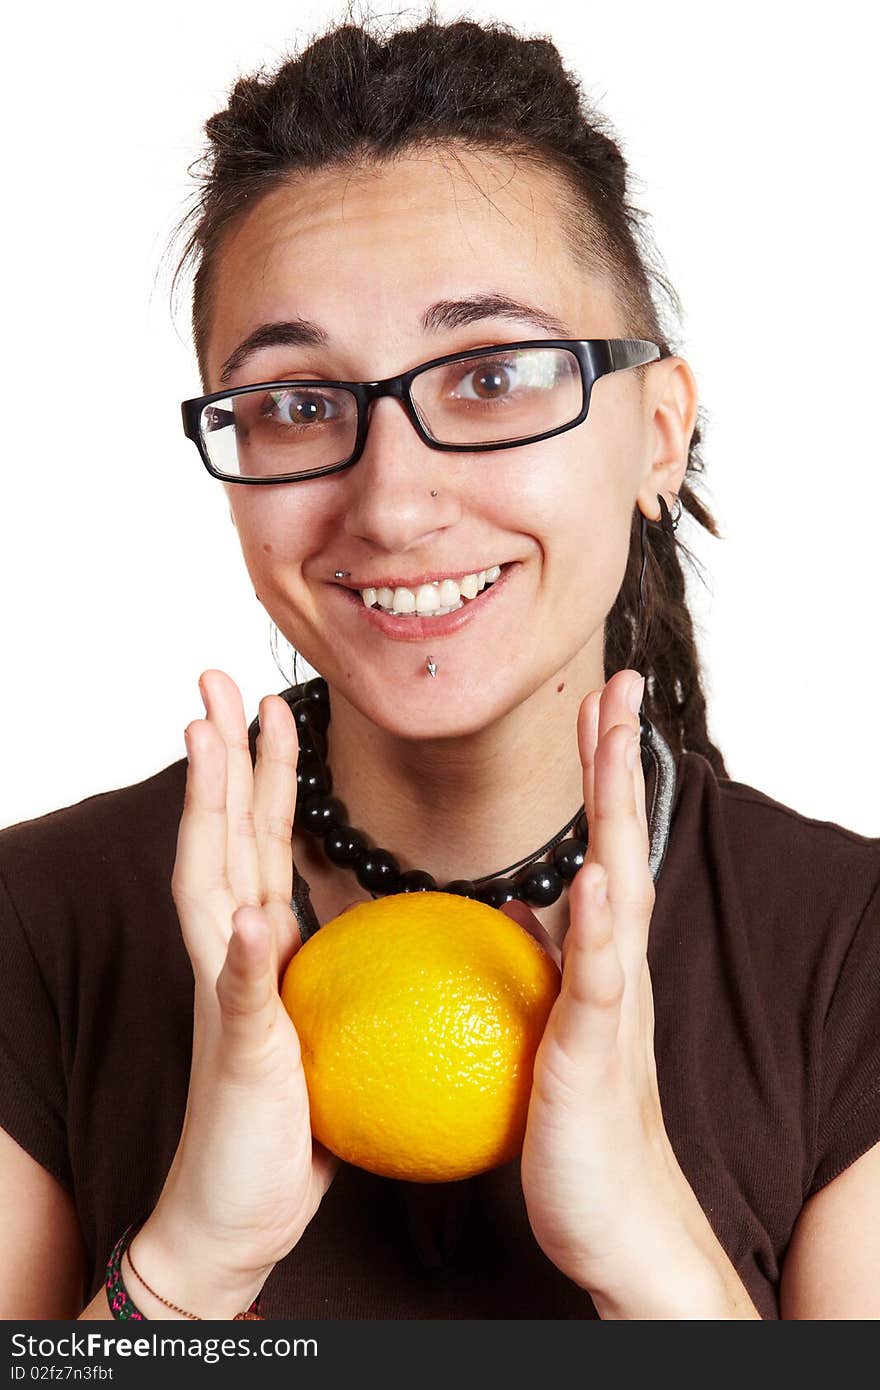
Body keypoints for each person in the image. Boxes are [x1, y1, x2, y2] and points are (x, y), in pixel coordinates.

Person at [1, 11, 878, 1323]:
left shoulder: (850, 954)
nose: (394, 502)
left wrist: (658, 1263)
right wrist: (186, 1267)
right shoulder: (36, 926)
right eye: (297, 402)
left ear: (659, 432)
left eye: (494, 375)